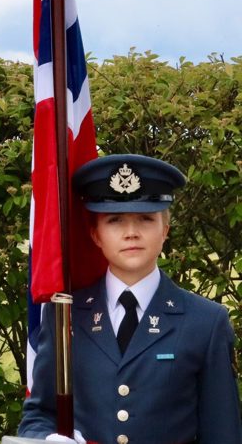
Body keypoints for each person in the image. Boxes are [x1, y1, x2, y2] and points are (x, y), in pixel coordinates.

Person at [18, 153, 241, 444]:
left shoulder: (206, 322)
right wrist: (47, 439)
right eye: (115, 220)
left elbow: (222, 432)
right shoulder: (64, 315)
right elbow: (38, 415)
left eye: (146, 219)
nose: (131, 233)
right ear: (95, 234)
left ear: (165, 231)